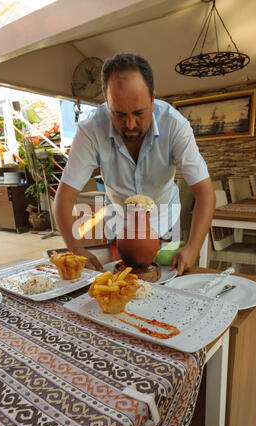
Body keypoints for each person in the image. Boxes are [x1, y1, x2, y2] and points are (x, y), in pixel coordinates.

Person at [54, 53, 215, 275]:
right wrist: (75, 248)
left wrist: (193, 247)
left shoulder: (175, 126)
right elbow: (65, 196)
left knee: (168, 287)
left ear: (153, 99)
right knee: (118, 285)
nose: (130, 125)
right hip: (120, 224)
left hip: (165, 218)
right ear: (107, 103)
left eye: (139, 113)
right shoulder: (91, 130)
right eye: (119, 114)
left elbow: (205, 192)